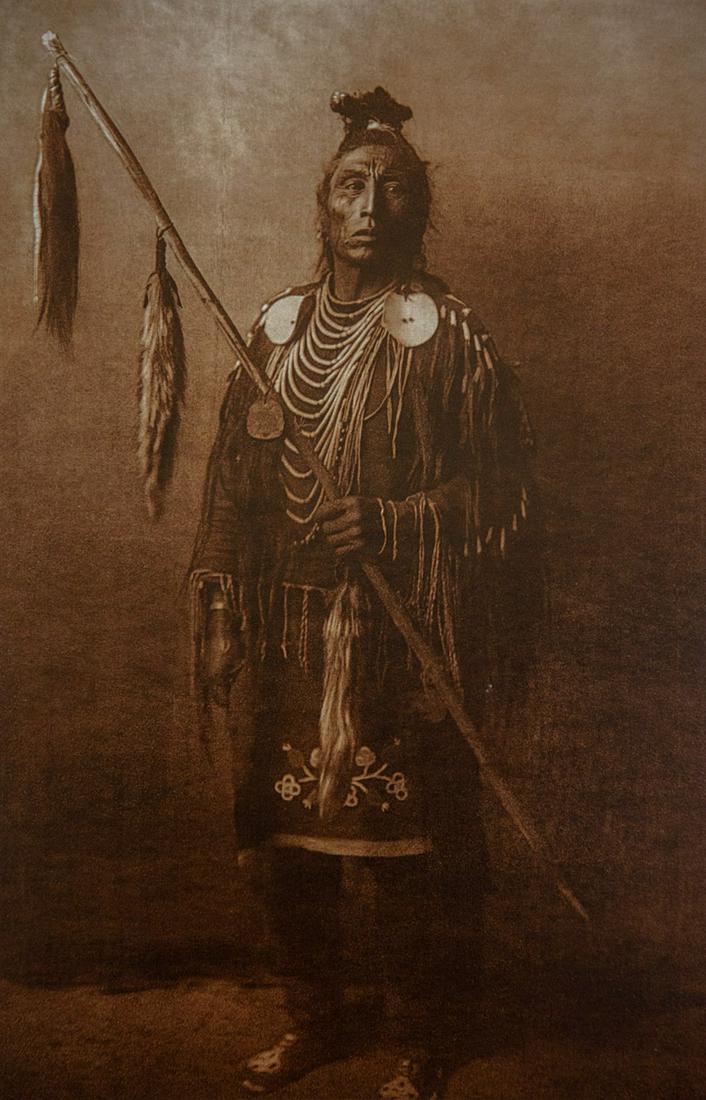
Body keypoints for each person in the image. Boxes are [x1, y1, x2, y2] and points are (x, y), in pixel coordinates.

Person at [190, 87, 542, 1100]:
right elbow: (227, 484)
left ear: (418, 210)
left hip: (400, 634)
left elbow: (503, 488)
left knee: (411, 858)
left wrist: (389, 521)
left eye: (393, 189)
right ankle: (313, 1018)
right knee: (280, 848)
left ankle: (423, 1038)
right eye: (351, 185)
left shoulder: (453, 340)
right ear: (322, 203)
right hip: (290, 630)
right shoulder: (273, 331)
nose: (369, 206)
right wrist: (218, 608)